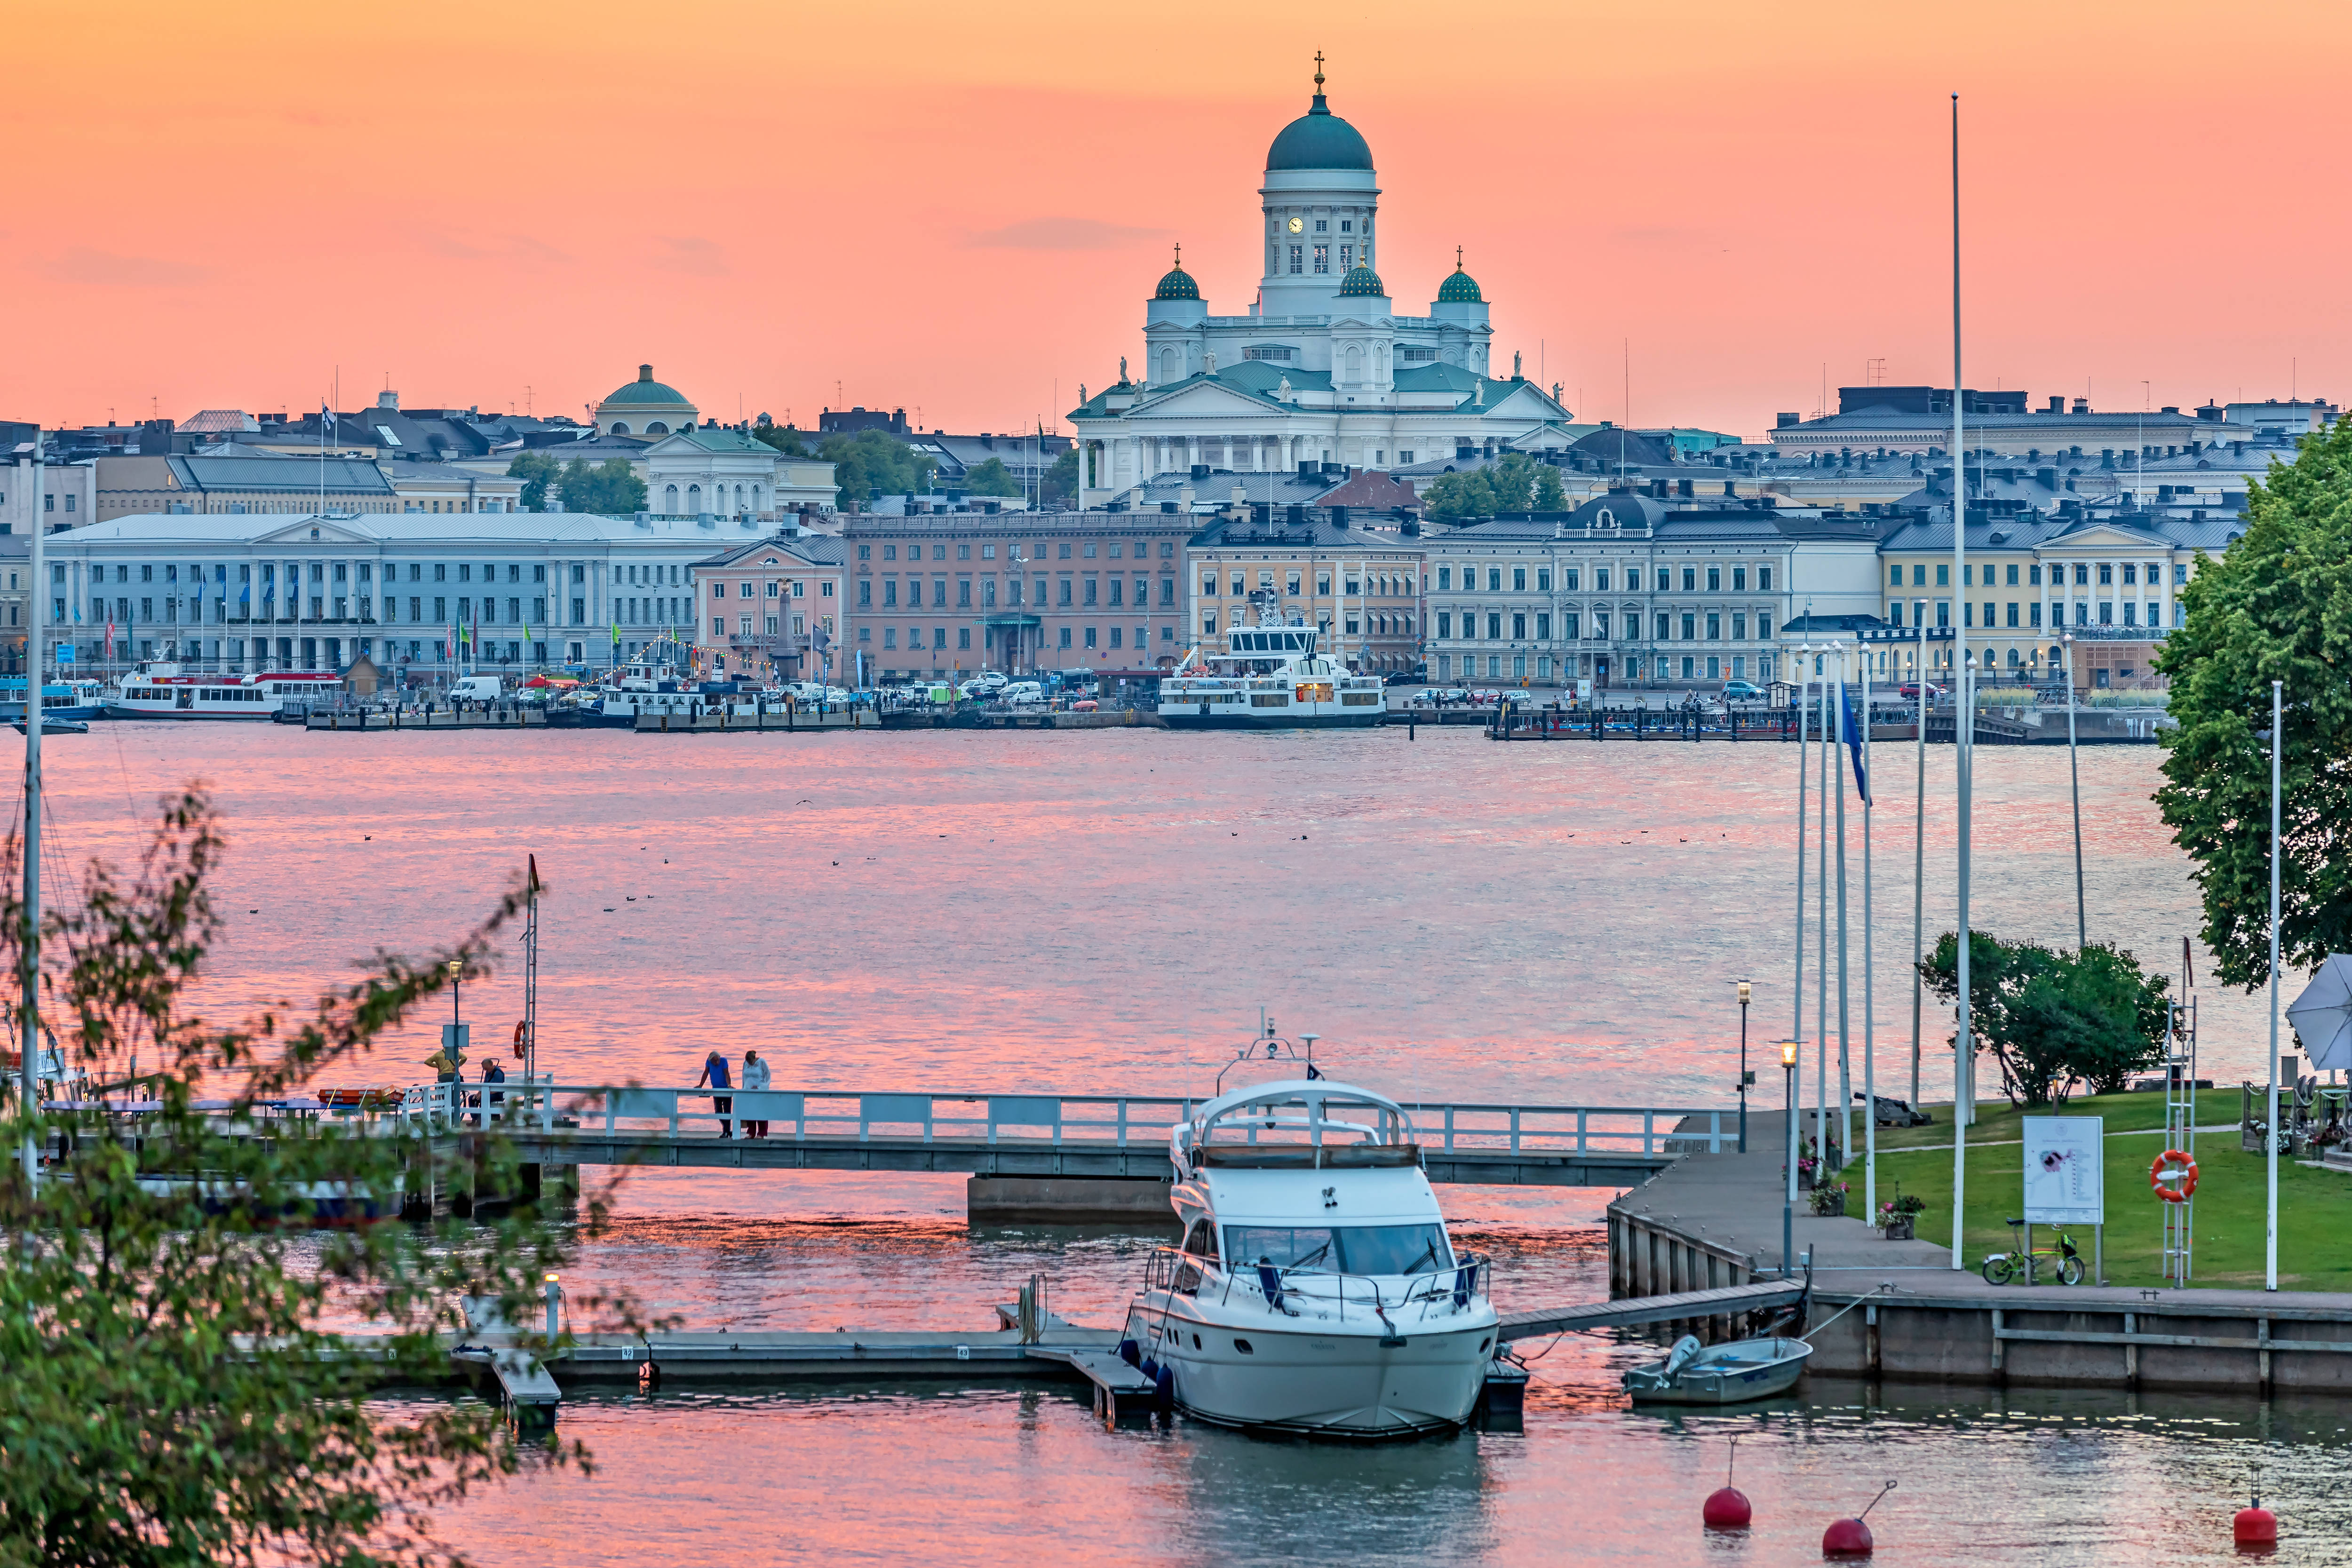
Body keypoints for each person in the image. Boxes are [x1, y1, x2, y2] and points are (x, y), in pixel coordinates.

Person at [695, 1048, 732, 1138]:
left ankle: (726, 1132)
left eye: (717, 1060)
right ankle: (727, 1131)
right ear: (711, 1060)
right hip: (716, 1090)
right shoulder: (709, 1063)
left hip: (726, 1090)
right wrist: (701, 1085)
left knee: (727, 1112)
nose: (716, 1062)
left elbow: (727, 1073)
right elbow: (706, 1073)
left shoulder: (724, 1061)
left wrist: (729, 1085)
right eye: (714, 1061)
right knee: (718, 1112)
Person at [741, 1049, 771, 1138]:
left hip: (760, 1091)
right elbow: (744, 1077)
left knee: (761, 1111)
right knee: (750, 1112)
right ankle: (751, 1132)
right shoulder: (746, 1063)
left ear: (754, 1059)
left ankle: (761, 1133)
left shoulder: (762, 1062)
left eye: (750, 1061)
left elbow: (768, 1075)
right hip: (748, 1091)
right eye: (748, 1062)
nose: (749, 1063)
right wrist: (743, 1089)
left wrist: (761, 1087)